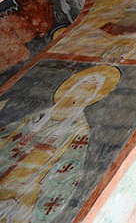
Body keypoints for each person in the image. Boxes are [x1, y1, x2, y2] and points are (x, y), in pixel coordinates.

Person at [0, 65, 119, 222]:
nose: (77, 94)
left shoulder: (79, 129)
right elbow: (8, 134)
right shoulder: (38, 116)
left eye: (86, 92)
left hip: (27, 184)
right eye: (77, 88)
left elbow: (70, 165)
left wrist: (43, 152)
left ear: (90, 98)